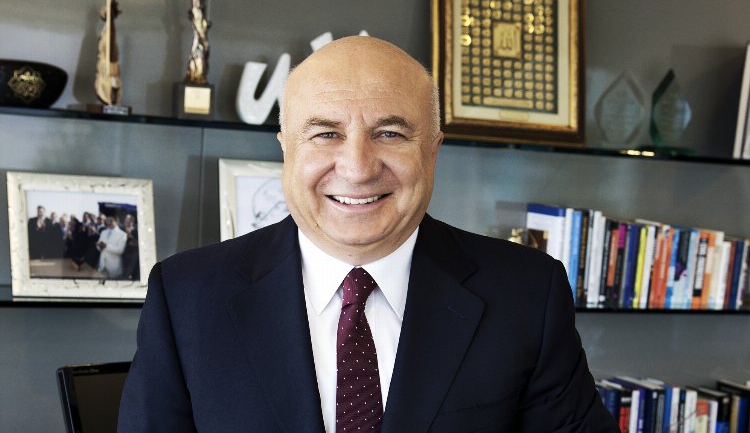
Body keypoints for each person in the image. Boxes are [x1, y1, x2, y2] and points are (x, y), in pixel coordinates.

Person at [119, 36, 618, 432]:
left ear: (433, 152)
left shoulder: (527, 293)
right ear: (286, 149)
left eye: (390, 134)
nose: (357, 168)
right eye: (326, 134)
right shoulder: (186, 296)